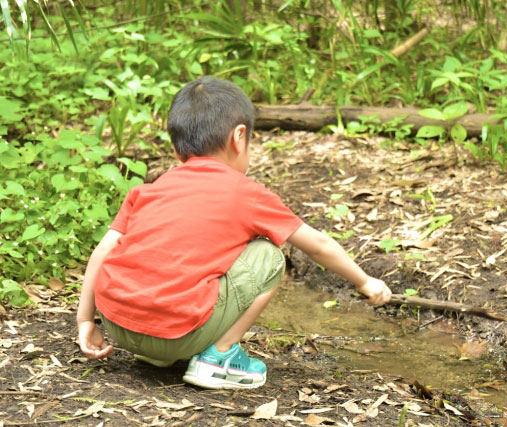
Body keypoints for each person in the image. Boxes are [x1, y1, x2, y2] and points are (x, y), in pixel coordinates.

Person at [76, 76, 392, 389]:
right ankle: (219, 357)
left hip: (119, 328)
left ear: (176, 148)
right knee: (268, 254)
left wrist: (86, 321)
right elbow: (318, 246)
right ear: (239, 137)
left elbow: (102, 252)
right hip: (178, 334)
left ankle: (156, 353)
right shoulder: (246, 193)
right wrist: (366, 281)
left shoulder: (147, 190)